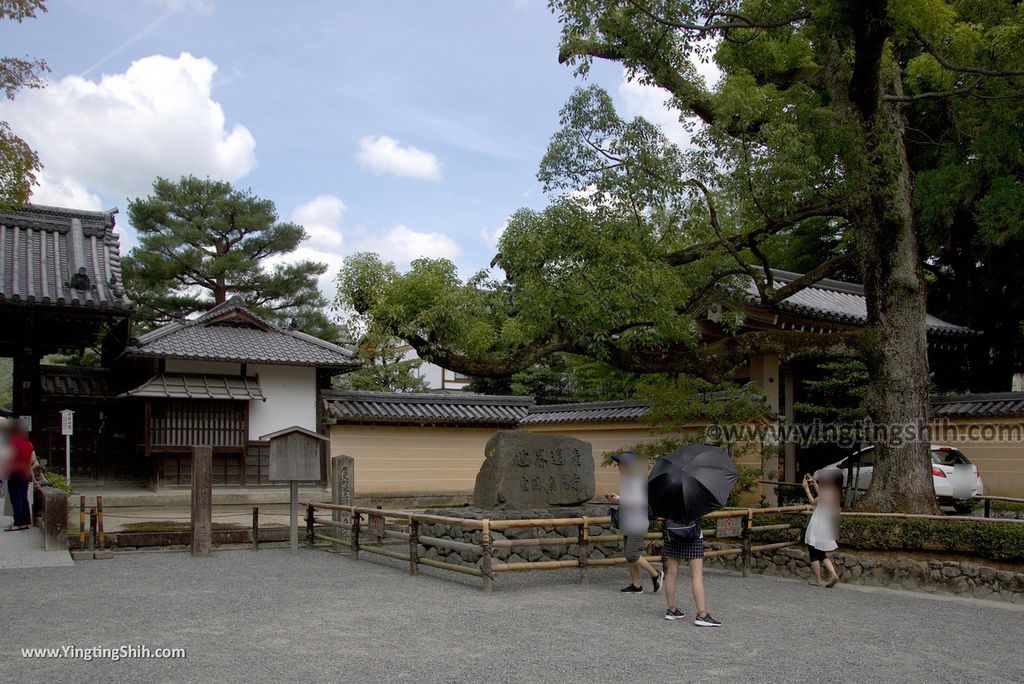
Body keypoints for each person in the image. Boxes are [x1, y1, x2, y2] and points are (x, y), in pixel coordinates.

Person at [605, 451, 663, 594]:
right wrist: (617, 498)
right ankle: (636, 585)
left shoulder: (636, 481)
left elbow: (639, 502)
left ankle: (656, 574)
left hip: (637, 523)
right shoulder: (628, 480)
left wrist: (620, 499)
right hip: (629, 521)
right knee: (628, 555)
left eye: (621, 463)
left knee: (631, 554)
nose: (618, 466)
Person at [661, 516, 720, 627]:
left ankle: (671, 609)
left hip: (672, 531)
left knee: (671, 572)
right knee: (696, 575)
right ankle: (702, 614)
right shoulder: (694, 499)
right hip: (692, 531)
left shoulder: (667, 499)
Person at [803, 470, 841, 588]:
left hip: (817, 524)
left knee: (813, 552)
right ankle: (833, 574)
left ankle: (818, 579)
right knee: (822, 553)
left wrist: (806, 489)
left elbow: (813, 502)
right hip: (825, 526)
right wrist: (814, 483)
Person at [3, 419, 37, 531]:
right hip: (24, 472)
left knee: (16, 497)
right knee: (23, 496)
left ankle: (18, 522)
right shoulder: (28, 443)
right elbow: (33, 460)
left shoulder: (11, 442)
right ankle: (25, 522)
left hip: (14, 471)